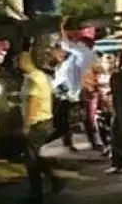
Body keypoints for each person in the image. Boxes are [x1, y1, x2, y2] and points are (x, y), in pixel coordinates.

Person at [18, 50, 65, 202]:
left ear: (24, 62)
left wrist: (27, 125)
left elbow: (34, 101)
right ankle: (54, 178)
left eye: (18, 62)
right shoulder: (40, 76)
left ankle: (36, 193)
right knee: (34, 156)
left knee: (31, 159)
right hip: (44, 120)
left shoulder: (34, 78)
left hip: (38, 122)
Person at [48, 17, 99, 151]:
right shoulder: (76, 57)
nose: (76, 42)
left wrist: (62, 28)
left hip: (75, 92)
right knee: (69, 118)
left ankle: (88, 142)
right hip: (68, 92)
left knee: (77, 117)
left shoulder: (84, 53)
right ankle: (71, 141)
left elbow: (67, 45)